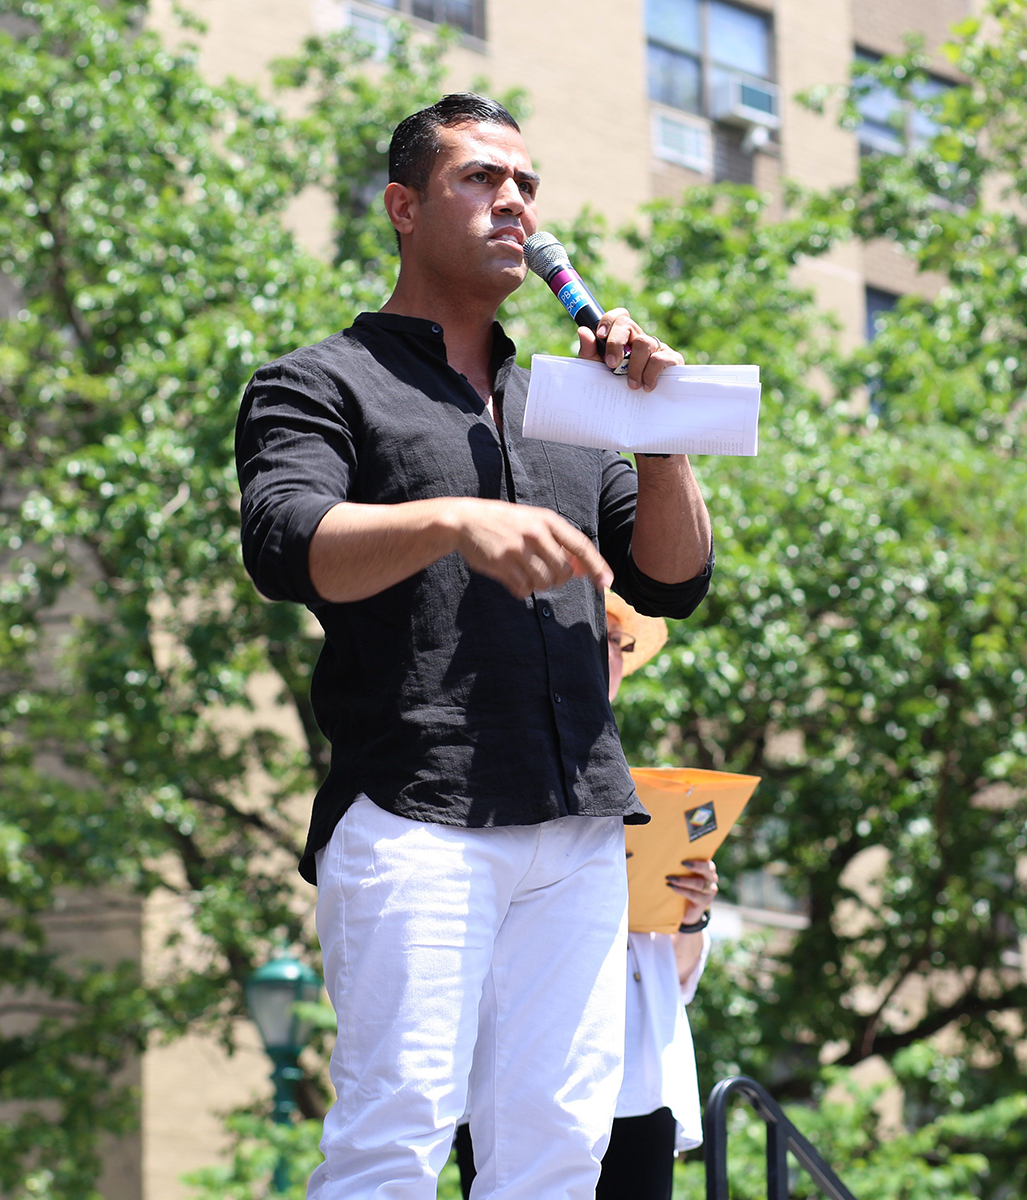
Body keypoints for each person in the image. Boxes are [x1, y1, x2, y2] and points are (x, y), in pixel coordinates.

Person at [234, 92, 714, 1199]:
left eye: (526, 185)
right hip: (418, 810)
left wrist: (658, 431)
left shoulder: (564, 401)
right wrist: (452, 521)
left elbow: (672, 579)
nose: (513, 203)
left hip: (578, 824)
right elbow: (286, 542)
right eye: (480, 178)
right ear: (403, 208)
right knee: (393, 1141)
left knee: (557, 1155)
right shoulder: (319, 382)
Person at [453, 593, 719, 1200]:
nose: (613, 656)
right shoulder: (488, 760)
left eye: (621, 644)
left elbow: (675, 978)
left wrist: (691, 915)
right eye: (602, 636)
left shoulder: (651, 789)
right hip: (524, 1064)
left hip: (636, 1079)